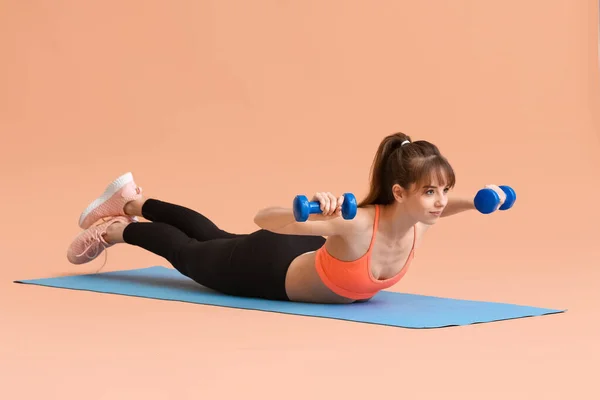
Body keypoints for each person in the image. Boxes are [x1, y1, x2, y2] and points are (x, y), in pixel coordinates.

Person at [66, 132, 508, 304]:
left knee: (215, 236)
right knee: (191, 252)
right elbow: (265, 218)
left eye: (443, 191)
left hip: (306, 255)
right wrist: (315, 209)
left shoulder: (418, 220)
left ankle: (132, 199)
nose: (439, 201)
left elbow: (442, 208)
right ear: (399, 193)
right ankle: (123, 225)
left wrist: (476, 200)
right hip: (270, 266)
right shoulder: (356, 225)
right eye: (430, 191)